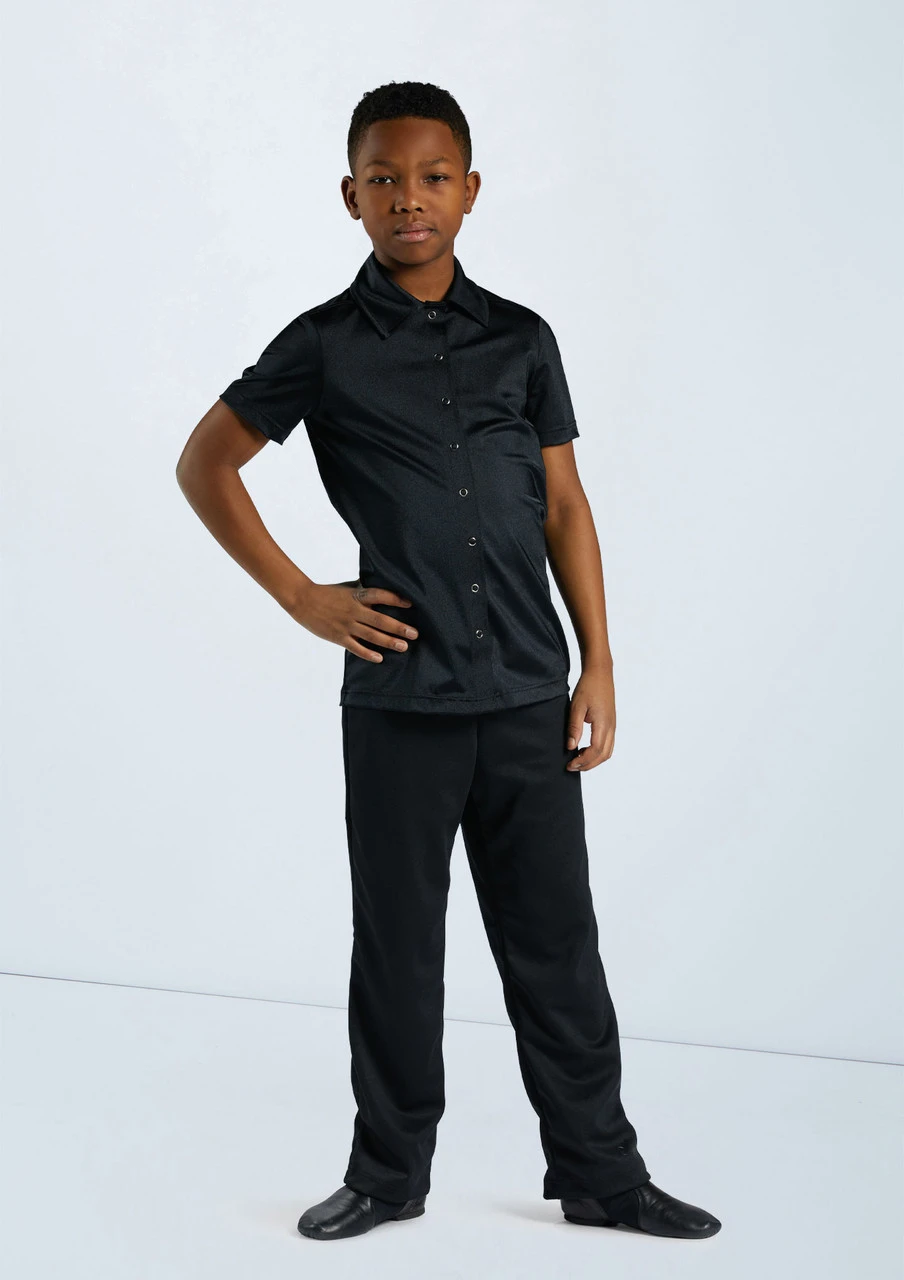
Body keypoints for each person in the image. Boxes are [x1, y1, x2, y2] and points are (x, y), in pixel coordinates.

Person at [176, 80, 721, 1245]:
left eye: (431, 178)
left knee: (557, 946)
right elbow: (204, 463)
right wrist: (302, 594)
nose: (408, 198)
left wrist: (598, 662)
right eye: (383, 179)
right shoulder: (320, 346)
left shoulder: (523, 339)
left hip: (527, 695)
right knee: (397, 948)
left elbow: (564, 505)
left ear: (469, 191)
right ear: (350, 195)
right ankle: (387, 1174)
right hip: (401, 703)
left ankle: (602, 1172)